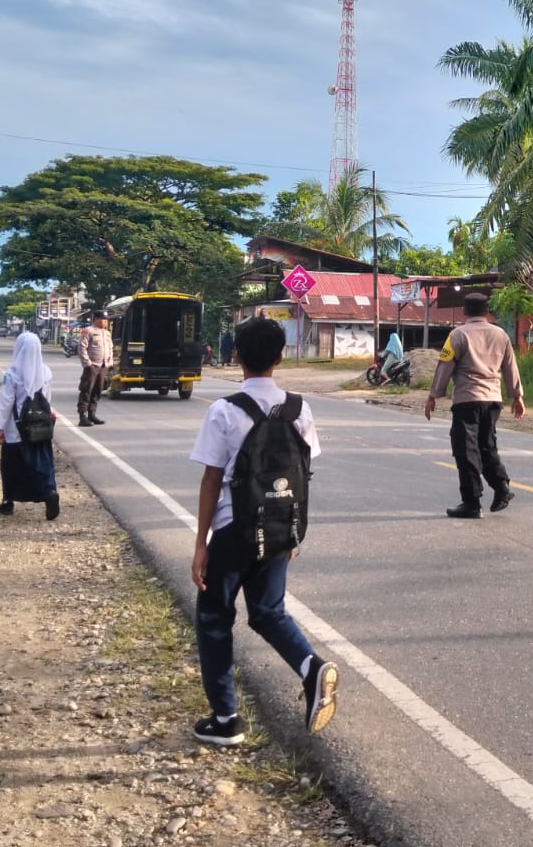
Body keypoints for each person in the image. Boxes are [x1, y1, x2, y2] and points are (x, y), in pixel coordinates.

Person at [188, 315, 337, 745]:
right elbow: (303, 473)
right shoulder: (300, 409)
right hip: (278, 529)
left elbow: (211, 480)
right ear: (281, 357)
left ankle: (225, 719)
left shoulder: (224, 411)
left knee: (214, 617)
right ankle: (310, 667)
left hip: (233, 531)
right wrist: (292, 530)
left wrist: (201, 544)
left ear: (236, 356)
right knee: (269, 612)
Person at [424, 291, 524, 518]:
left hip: (467, 399)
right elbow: (510, 366)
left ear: (464, 311)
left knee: (466, 449)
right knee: (487, 445)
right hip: (492, 400)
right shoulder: (501, 335)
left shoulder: (457, 335)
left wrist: (433, 395)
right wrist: (517, 396)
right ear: (487, 311)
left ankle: (471, 503)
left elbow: (444, 366)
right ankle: (501, 486)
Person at [0, 331, 59, 520]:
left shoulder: (12, 375)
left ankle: (8, 501)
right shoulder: (45, 372)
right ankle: (49, 492)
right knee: (42, 462)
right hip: (39, 428)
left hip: (16, 429)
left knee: (12, 466)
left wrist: (0, 427)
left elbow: (6, 403)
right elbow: (47, 399)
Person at [77, 310, 114, 427]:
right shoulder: (87, 331)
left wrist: (110, 362)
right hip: (92, 366)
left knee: (97, 390)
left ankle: (92, 414)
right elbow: (82, 348)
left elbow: (110, 348)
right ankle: (82, 416)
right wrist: (87, 363)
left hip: (103, 366)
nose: (105, 322)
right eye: (103, 319)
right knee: (86, 390)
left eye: (106, 320)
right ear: (96, 319)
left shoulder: (107, 333)